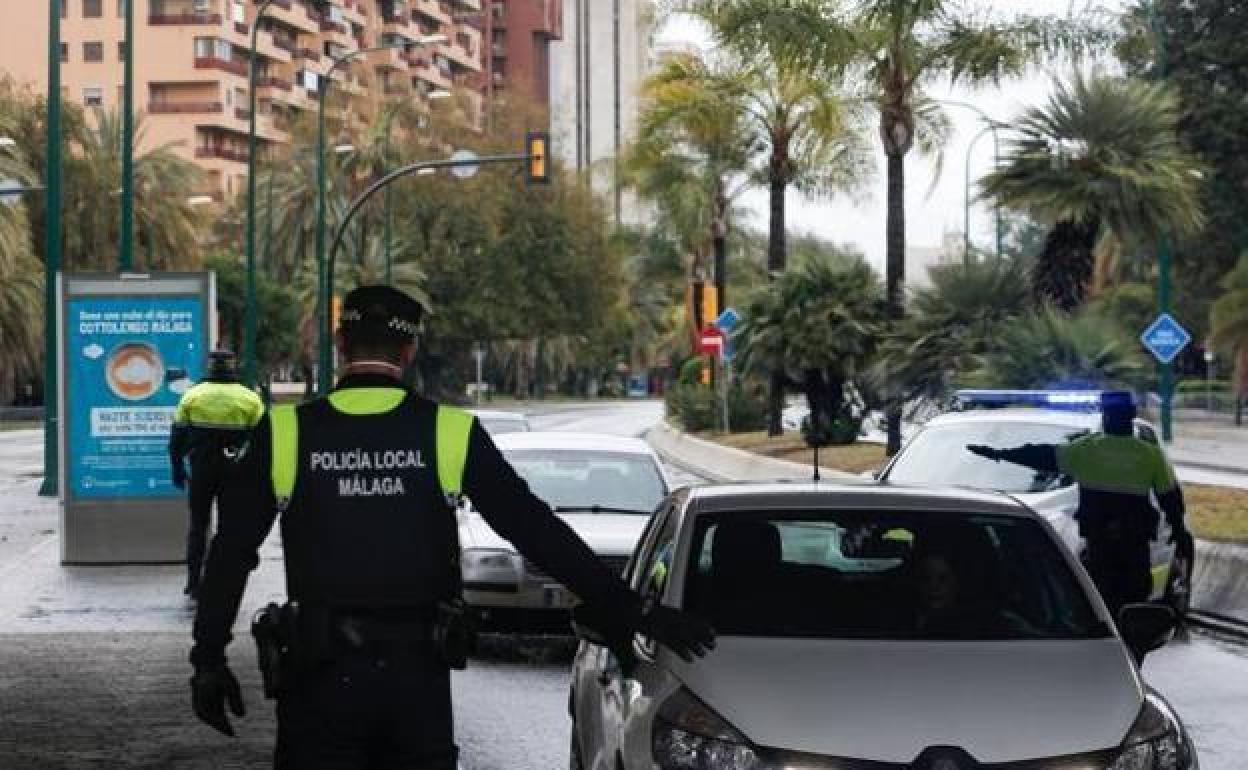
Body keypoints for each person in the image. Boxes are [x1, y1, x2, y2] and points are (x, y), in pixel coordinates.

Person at [188, 285, 714, 769]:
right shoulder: (448, 432)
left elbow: (232, 552)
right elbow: (535, 531)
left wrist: (208, 657)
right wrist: (635, 609)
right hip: (414, 685)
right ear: (410, 352)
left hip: (318, 684)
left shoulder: (284, 431)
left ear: (340, 343)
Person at [968, 391, 1193, 615]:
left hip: (1099, 548)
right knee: (1132, 605)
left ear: (1105, 418)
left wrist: (1001, 454)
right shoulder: (1150, 455)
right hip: (1134, 550)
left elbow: (1042, 454)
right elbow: (1170, 498)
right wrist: (1179, 531)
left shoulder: (1086, 449)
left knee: (1098, 604)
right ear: (1131, 417)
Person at [169, 349, 264, 600]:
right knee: (229, 529)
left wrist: (177, 470)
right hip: (237, 473)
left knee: (198, 526)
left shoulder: (192, 396)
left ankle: (193, 583)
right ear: (234, 368)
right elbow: (263, 441)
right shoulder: (250, 399)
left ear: (209, 368)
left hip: (201, 471)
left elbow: (176, 439)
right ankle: (224, 583)